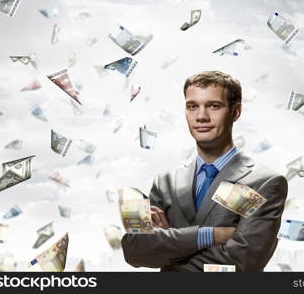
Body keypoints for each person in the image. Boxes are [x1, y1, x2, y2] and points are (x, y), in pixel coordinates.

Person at [122, 70, 288, 272]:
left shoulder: (264, 182)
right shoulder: (165, 182)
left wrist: (170, 245)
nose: (201, 116)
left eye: (214, 106)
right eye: (192, 107)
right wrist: (209, 235)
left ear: (235, 112)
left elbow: (243, 264)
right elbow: (134, 250)